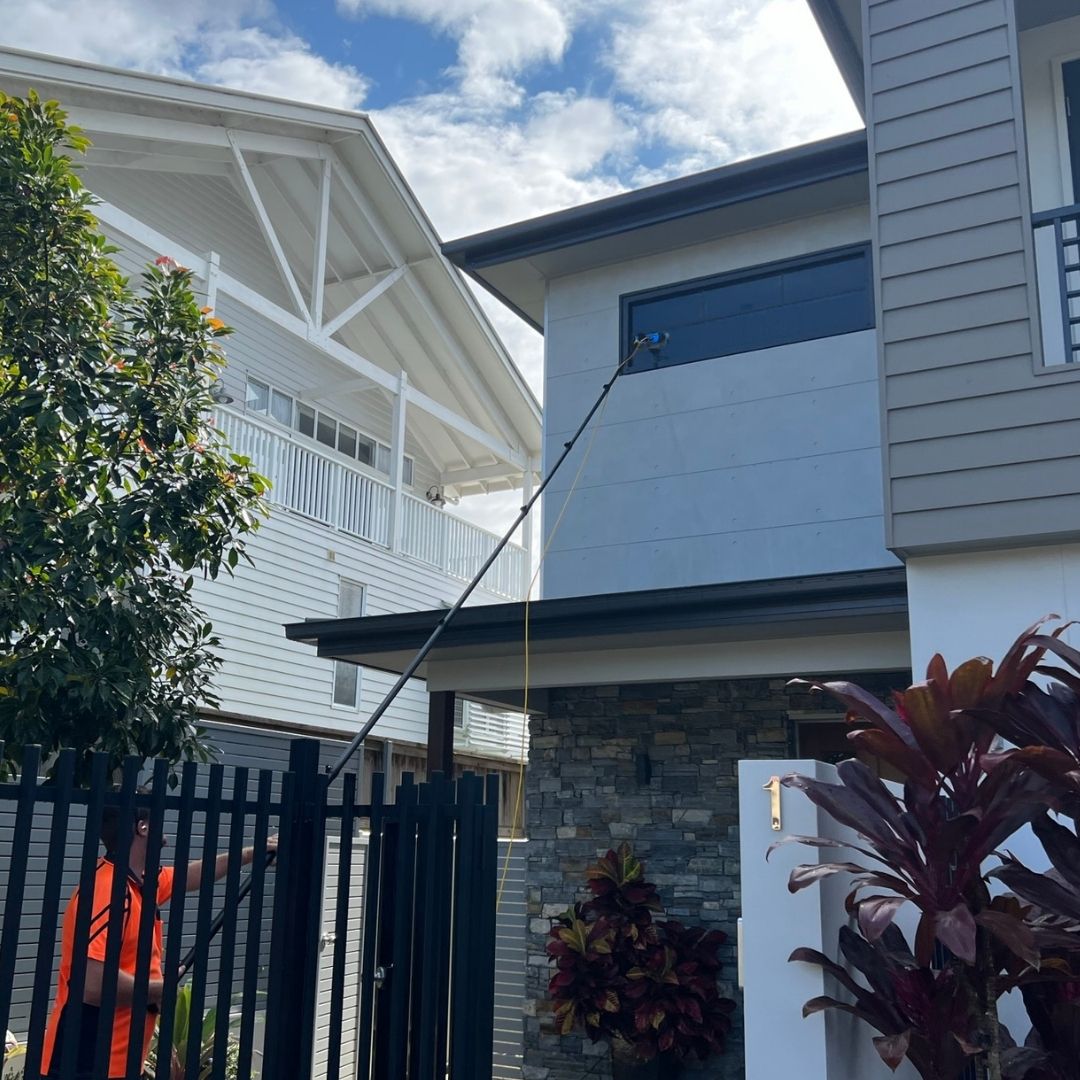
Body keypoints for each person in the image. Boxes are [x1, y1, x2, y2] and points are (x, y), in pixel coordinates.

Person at [38, 793, 277, 1080]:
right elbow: (92, 984)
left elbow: (191, 874)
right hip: (82, 1061)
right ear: (142, 827)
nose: (165, 831)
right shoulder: (108, 892)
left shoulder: (140, 882)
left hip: (117, 1061)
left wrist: (252, 853)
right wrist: (156, 989)